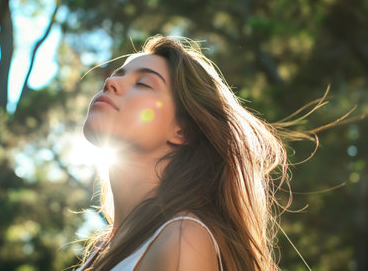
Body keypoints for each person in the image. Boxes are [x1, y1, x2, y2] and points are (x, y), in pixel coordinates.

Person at [77, 35, 301, 270]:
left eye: (143, 83)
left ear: (182, 130)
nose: (111, 82)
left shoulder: (182, 239)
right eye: (118, 74)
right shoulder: (100, 250)